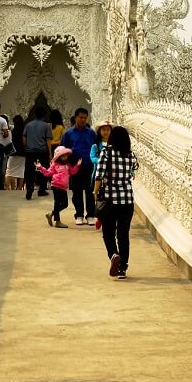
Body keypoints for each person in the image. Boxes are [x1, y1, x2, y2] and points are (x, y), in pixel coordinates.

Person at [96, 126, 139, 279]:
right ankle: (122, 268)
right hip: (127, 200)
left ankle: (114, 255)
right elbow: (135, 168)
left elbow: (99, 175)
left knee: (108, 232)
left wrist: (95, 194)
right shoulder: (130, 155)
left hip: (110, 200)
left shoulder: (106, 152)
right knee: (123, 234)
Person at [60, 108, 97, 225]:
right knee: (76, 192)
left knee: (90, 191)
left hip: (89, 165)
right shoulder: (68, 133)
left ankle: (90, 215)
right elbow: (62, 149)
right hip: (74, 166)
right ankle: (79, 214)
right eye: (81, 117)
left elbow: (97, 147)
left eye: (85, 118)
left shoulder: (91, 133)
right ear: (75, 117)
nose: (83, 120)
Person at [35, 146, 81, 228]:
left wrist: (77, 166)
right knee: (57, 203)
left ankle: (51, 214)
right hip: (56, 185)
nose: (65, 157)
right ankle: (57, 221)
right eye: (63, 155)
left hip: (63, 187)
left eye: (66, 155)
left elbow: (73, 172)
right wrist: (40, 168)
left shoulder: (68, 165)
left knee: (65, 204)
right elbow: (48, 173)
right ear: (59, 156)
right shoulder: (55, 164)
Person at [23, 107, 52, 199]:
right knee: (43, 170)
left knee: (29, 170)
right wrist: (50, 154)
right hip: (42, 151)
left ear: (35, 115)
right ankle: (42, 190)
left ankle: (29, 187)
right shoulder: (46, 126)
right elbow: (48, 140)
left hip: (30, 151)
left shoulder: (28, 125)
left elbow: (24, 138)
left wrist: (26, 147)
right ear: (44, 116)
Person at [6, 115, 26, 190]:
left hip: (13, 153)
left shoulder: (12, 131)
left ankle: (8, 188)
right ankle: (19, 188)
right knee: (21, 172)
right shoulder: (24, 130)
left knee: (9, 171)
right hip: (22, 153)